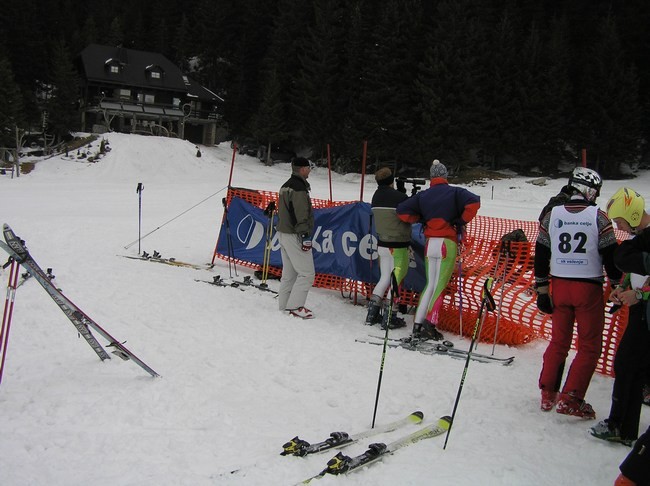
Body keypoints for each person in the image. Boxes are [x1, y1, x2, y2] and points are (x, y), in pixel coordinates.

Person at [534, 167, 622, 418]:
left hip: (560, 286)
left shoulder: (552, 215)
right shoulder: (599, 217)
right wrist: (616, 286)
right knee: (590, 346)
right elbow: (610, 257)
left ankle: (547, 392)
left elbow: (541, 254)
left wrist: (542, 289)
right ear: (590, 191)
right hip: (588, 288)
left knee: (559, 341)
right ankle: (571, 398)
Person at [590, 187, 650, 447]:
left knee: (627, 366)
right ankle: (624, 427)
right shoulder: (641, 237)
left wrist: (641, 296)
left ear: (633, 214)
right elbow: (636, 270)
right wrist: (625, 286)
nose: (619, 227)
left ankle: (619, 425)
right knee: (632, 368)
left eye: (620, 221)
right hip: (642, 312)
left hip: (645, 312)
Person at [396, 160, 480, 341]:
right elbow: (474, 202)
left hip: (429, 243)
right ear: (445, 175)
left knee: (429, 284)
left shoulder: (424, 195)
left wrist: (422, 219)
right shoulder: (455, 192)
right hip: (446, 243)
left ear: (431, 177)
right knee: (439, 286)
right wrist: (461, 220)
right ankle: (429, 325)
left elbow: (402, 212)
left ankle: (418, 324)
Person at [366, 167, 411, 329]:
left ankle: (372, 314)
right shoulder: (399, 197)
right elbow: (410, 215)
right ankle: (389, 316)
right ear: (392, 181)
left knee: (384, 277)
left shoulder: (376, 196)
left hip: (382, 244)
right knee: (396, 279)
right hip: (398, 244)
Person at [277, 157, 316, 319]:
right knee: (307, 273)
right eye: (309, 168)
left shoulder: (285, 185)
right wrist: (305, 235)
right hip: (295, 234)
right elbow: (300, 214)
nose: (310, 171)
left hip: (283, 233)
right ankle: (295, 307)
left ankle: (284, 305)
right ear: (302, 169)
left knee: (290, 273)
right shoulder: (299, 188)